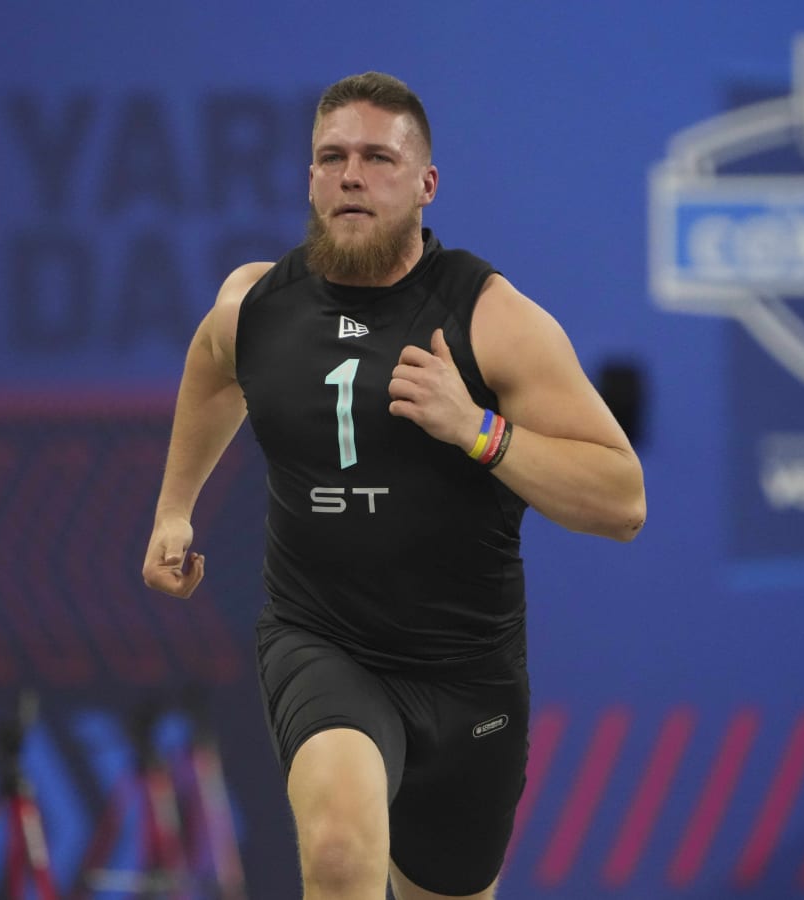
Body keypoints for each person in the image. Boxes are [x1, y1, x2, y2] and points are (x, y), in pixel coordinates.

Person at [143, 71, 645, 900]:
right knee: (340, 851)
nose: (350, 175)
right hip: (324, 643)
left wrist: (477, 430)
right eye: (331, 157)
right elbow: (210, 369)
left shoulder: (491, 319)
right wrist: (173, 508)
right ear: (309, 177)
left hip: (469, 675)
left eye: (378, 157)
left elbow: (623, 500)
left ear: (426, 184)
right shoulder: (256, 305)